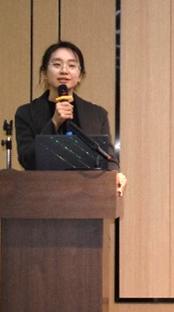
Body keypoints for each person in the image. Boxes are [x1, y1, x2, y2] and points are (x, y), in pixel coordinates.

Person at [15, 40, 127, 196]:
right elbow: (26, 159)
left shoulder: (97, 114)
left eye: (72, 66)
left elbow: (107, 157)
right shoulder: (26, 113)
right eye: (57, 64)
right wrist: (54, 123)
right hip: (41, 197)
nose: (64, 71)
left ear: (80, 76)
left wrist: (115, 174)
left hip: (87, 197)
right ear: (44, 73)